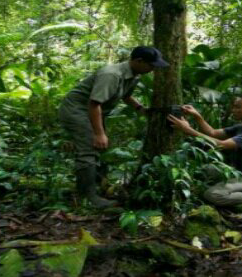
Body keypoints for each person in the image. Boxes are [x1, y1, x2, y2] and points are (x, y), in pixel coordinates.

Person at [59, 46, 169, 208]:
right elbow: (94, 103)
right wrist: (98, 133)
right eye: (151, 65)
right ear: (139, 61)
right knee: (89, 147)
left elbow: (126, 95)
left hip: (95, 111)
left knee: (101, 148)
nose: (152, 69)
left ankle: (98, 186)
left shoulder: (134, 75)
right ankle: (88, 198)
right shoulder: (111, 75)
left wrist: (140, 109)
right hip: (78, 109)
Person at [167, 94, 242, 207]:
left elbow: (222, 145)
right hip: (237, 173)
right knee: (202, 171)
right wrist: (197, 116)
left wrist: (188, 130)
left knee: (213, 194)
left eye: (238, 107)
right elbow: (213, 133)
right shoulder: (240, 127)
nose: (233, 110)